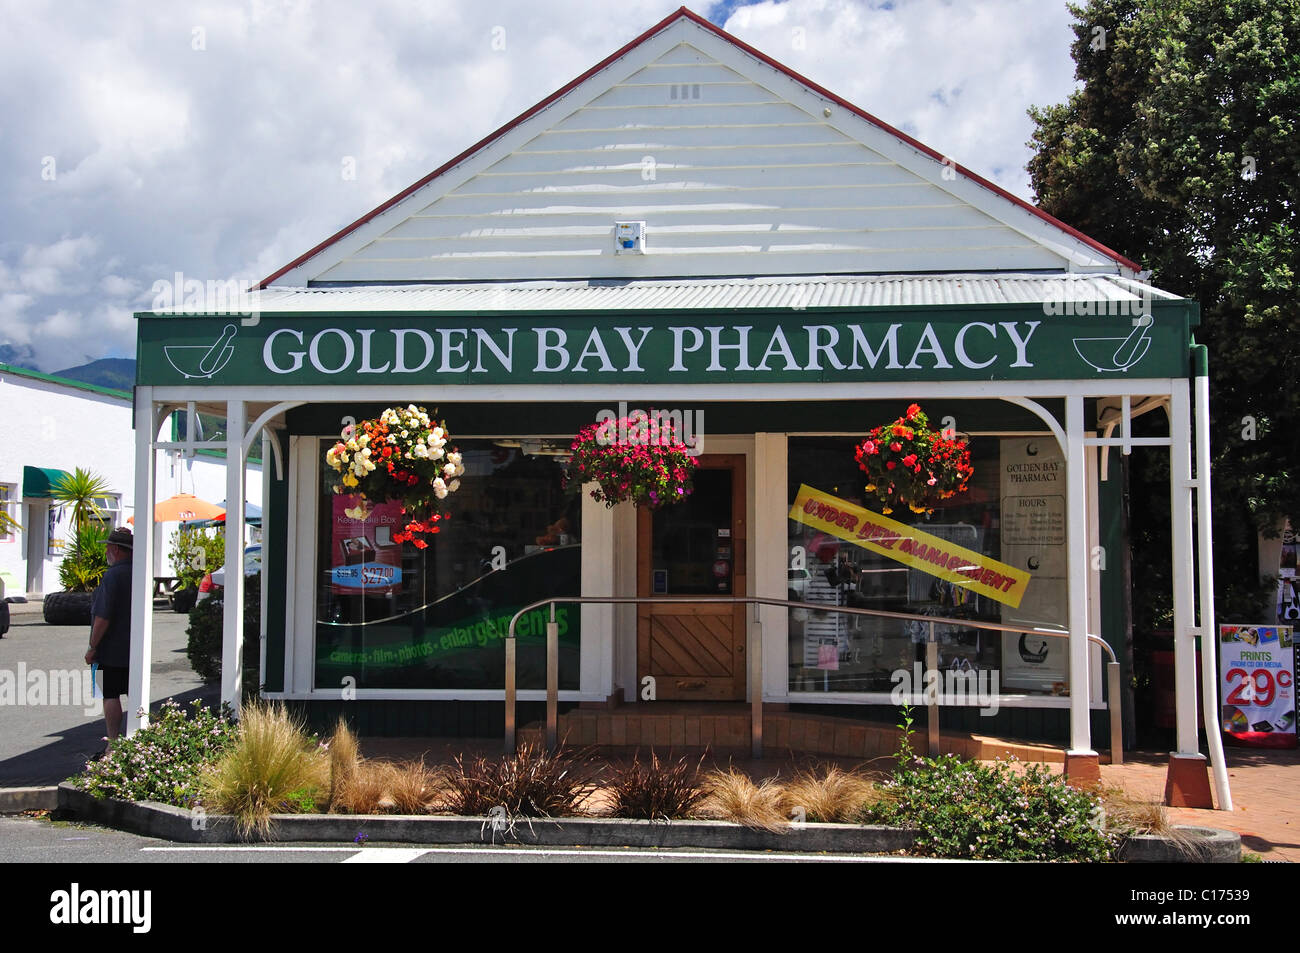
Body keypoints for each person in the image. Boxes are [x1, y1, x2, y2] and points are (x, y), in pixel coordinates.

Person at [85, 527, 133, 757]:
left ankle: (112, 744)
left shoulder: (112, 575)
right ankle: (138, 739)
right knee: (134, 694)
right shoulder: (138, 572)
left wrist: (93, 646)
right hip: (133, 649)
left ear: (115, 549)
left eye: (108, 546)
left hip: (109, 650)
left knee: (109, 694)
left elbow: (103, 616)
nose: (106, 550)